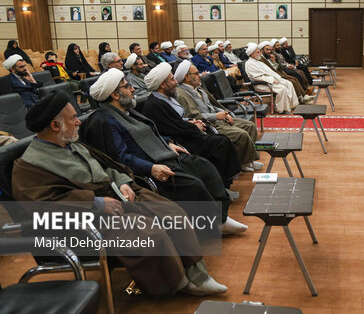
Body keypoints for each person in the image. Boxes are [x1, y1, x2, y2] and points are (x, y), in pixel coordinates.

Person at [13, 92, 228, 296]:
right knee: (148, 232)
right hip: (84, 221)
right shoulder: (28, 166)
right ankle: (176, 283)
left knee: (171, 211)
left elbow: (108, 167)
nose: (79, 122)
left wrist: (123, 181)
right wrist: (96, 203)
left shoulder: (71, 144)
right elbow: (43, 207)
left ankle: (197, 275)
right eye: (73, 118)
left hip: (116, 194)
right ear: (54, 125)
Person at [80, 69, 247, 234]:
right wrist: (151, 168)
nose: (132, 89)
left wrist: (167, 143)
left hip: (163, 153)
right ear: (115, 95)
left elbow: (149, 131)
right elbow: (119, 158)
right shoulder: (104, 121)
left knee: (205, 167)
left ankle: (220, 218)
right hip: (151, 167)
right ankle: (213, 224)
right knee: (193, 184)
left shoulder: (127, 110)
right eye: (127, 86)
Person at [141, 63, 242, 186]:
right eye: (172, 79)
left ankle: (223, 182)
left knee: (221, 140)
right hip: (178, 142)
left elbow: (178, 120)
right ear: (162, 84)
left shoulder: (167, 97)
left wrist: (190, 122)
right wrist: (194, 126)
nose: (176, 82)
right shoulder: (154, 104)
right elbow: (172, 128)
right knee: (220, 144)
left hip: (185, 133)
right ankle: (221, 184)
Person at [174, 60, 262, 172]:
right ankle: (242, 163)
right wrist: (216, 116)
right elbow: (195, 116)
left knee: (250, 125)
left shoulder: (198, 88)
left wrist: (225, 113)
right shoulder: (182, 94)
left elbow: (213, 105)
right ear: (187, 77)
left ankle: (249, 159)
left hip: (219, 118)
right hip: (210, 124)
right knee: (241, 135)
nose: (200, 75)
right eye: (196, 73)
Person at [245, 43, 298, 114]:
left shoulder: (257, 61)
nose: (259, 54)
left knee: (289, 83)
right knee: (282, 88)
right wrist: (272, 80)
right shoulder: (250, 64)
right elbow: (257, 77)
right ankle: (281, 109)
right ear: (252, 54)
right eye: (258, 52)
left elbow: (270, 71)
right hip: (261, 84)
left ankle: (291, 105)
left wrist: (277, 78)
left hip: (269, 81)